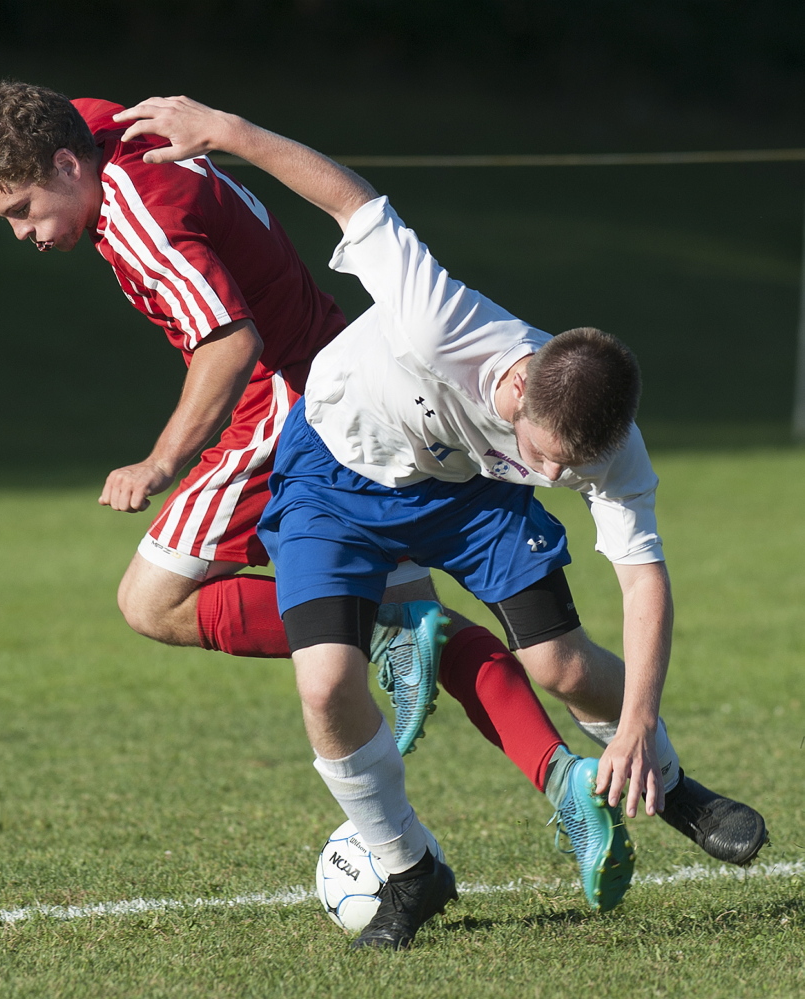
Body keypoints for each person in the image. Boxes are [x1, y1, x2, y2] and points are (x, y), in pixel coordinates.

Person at [0, 82, 640, 935]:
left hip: (290, 406)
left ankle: (393, 657)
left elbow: (229, 344)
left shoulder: (136, 213)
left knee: (151, 600)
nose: (24, 233)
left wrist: (161, 461)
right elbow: (48, 117)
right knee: (408, 616)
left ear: (67, 167)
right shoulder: (103, 135)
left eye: (22, 210)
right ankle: (545, 771)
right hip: (342, 383)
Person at [108, 95, 770, 943]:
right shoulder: (438, 317)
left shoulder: (605, 443)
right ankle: (408, 869)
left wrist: (640, 714)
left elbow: (644, 578)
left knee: (565, 666)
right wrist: (225, 132)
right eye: (549, 456)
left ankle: (674, 788)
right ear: (518, 386)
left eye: (573, 466)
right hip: (335, 473)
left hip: (463, 490)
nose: (559, 476)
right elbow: (353, 200)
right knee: (324, 684)